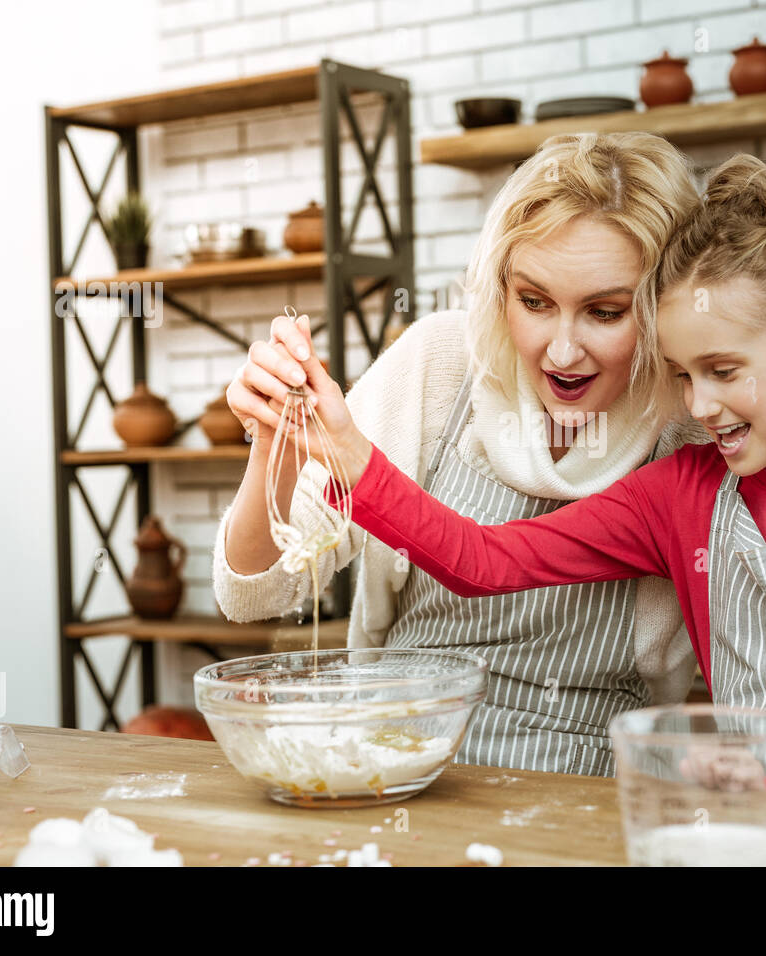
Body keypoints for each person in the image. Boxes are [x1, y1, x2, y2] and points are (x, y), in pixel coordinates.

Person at [278, 153, 766, 713]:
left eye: (723, 370)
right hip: (762, 816)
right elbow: (481, 561)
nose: (699, 404)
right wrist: (349, 456)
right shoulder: (682, 494)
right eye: (681, 374)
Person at [213, 132, 709, 775]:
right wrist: (273, 446)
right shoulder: (440, 364)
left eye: (605, 313)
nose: (562, 351)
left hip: (584, 788)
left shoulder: (692, 426)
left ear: (662, 308)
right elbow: (251, 596)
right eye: (533, 302)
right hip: (392, 761)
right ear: (499, 289)